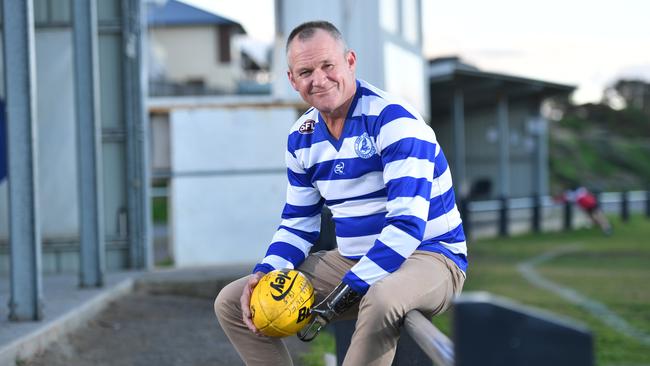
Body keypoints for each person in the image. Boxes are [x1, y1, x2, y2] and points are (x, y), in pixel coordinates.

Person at [214, 20, 467, 366]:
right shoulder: (300, 136)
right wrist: (268, 270)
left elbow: (408, 225)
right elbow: (299, 223)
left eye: (327, 65)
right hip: (353, 259)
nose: (318, 79)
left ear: (350, 62)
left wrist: (352, 286)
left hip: (431, 257)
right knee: (232, 301)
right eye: (305, 71)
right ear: (292, 79)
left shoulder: (395, 121)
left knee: (381, 296)